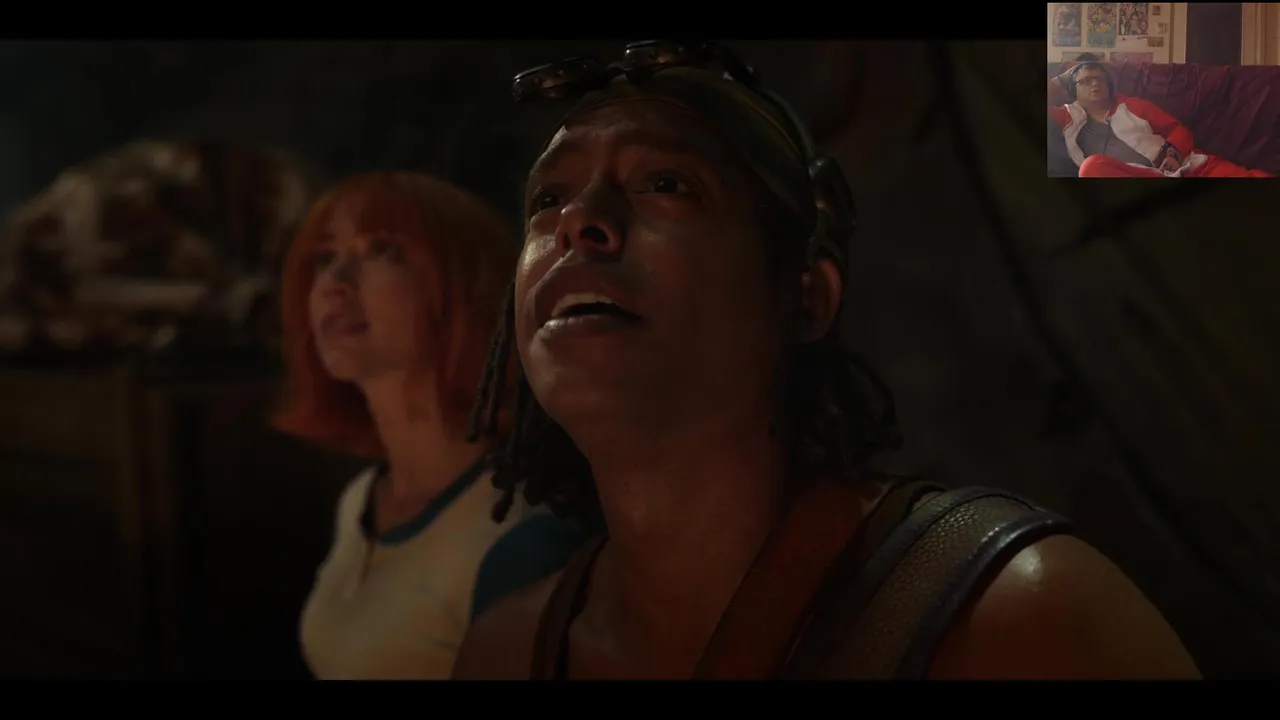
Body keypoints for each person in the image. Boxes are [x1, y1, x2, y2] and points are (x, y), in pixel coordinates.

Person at [452, 42, 1202, 680]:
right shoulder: (506, 652)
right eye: (547, 199)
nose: (578, 221)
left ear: (807, 296)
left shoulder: (1023, 617)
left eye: (666, 184)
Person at [275, 171, 563, 679]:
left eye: (381, 250)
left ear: (463, 288)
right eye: (323, 257)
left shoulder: (519, 533)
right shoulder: (360, 500)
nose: (335, 281)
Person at [1048, 60, 1274, 178]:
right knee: (1091, 168)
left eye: (1100, 79)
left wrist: (1173, 153)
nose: (1095, 84)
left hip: (1186, 168)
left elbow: (1179, 131)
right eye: (1085, 81)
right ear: (1072, 89)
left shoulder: (1134, 105)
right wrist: (1063, 78)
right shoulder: (1066, 118)